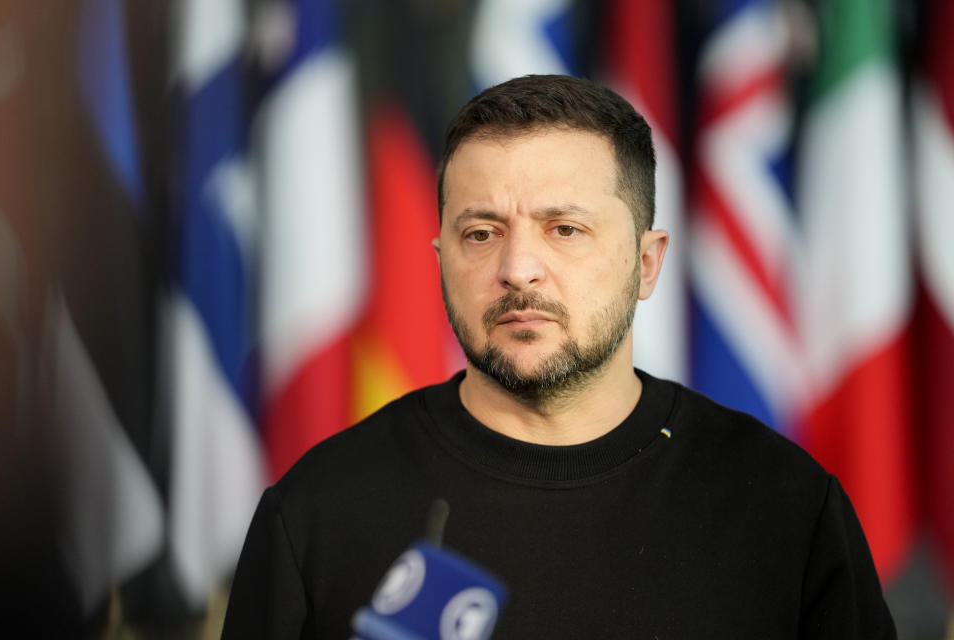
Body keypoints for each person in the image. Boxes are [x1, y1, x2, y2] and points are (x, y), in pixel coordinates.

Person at [222, 75, 895, 639]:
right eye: (481, 233)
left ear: (646, 262)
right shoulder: (318, 512)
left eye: (564, 229)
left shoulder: (784, 507)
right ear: (440, 262)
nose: (518, 268)